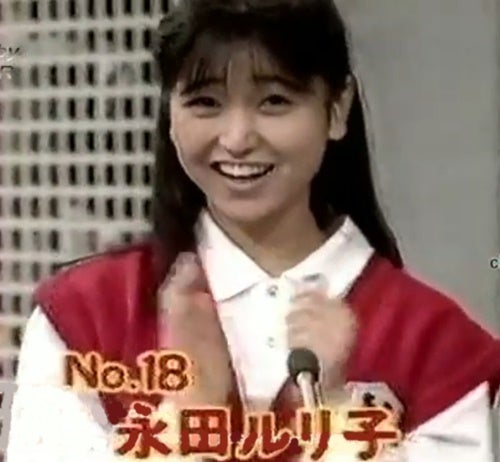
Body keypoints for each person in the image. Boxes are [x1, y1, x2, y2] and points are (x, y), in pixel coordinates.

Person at [6, 0, 500, 460]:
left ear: (337, 108)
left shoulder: (435, 343)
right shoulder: (86, 315)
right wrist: (188, 415)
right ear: (170, 113)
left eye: (275, 101)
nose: (237, 138)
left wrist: (334, 418)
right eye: (205, 102)